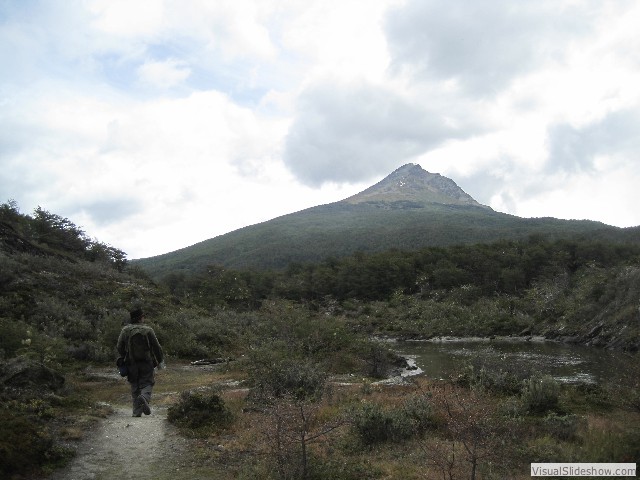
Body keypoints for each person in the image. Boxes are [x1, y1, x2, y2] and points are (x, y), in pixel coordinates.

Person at [117, 308, 164, 417]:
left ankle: (136, 412)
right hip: (147, 362)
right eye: (143, 316)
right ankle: (144, 397)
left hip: (131, 362)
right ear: (140, 318)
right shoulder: (148, 330)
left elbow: (119, 346)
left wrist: (124, 356)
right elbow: (157, 347)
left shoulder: (125, 330)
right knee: (148, 382)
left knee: (134, 385)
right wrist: (160, 361)